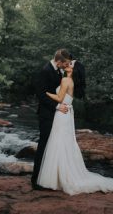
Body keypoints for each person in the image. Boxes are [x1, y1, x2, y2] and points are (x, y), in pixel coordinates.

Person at [36, 62, 113, 195]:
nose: (68, 63)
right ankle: (59, 177)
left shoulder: (66, 80)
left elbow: (59, 98)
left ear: (73, 69)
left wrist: (46, 93)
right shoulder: (69, 80)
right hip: (66, 113)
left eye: (71, 63)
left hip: (62, 112)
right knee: (64, 143)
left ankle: (58, 178)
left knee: (59, 142)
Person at [31, 48, 72, 190]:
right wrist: (57, 106)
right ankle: (36, 180)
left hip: (56, 115)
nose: (66, 65)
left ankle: (49, 178)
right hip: (46, 114)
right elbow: (41, 95)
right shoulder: (45, 71)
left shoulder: (58, 71)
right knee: (43, 145)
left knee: (52, 146)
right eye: (65, 63)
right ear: (59, 61)